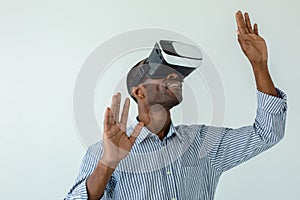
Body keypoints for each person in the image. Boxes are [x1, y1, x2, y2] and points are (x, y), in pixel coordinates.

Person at [65, 11, 287, 200]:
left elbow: (267, 133)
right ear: (138, 91)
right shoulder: (103, 152)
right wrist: (107, 164)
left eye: (178, 74)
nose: (175, 77)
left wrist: (259, 65)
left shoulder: (202, 143)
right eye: (162, 73)